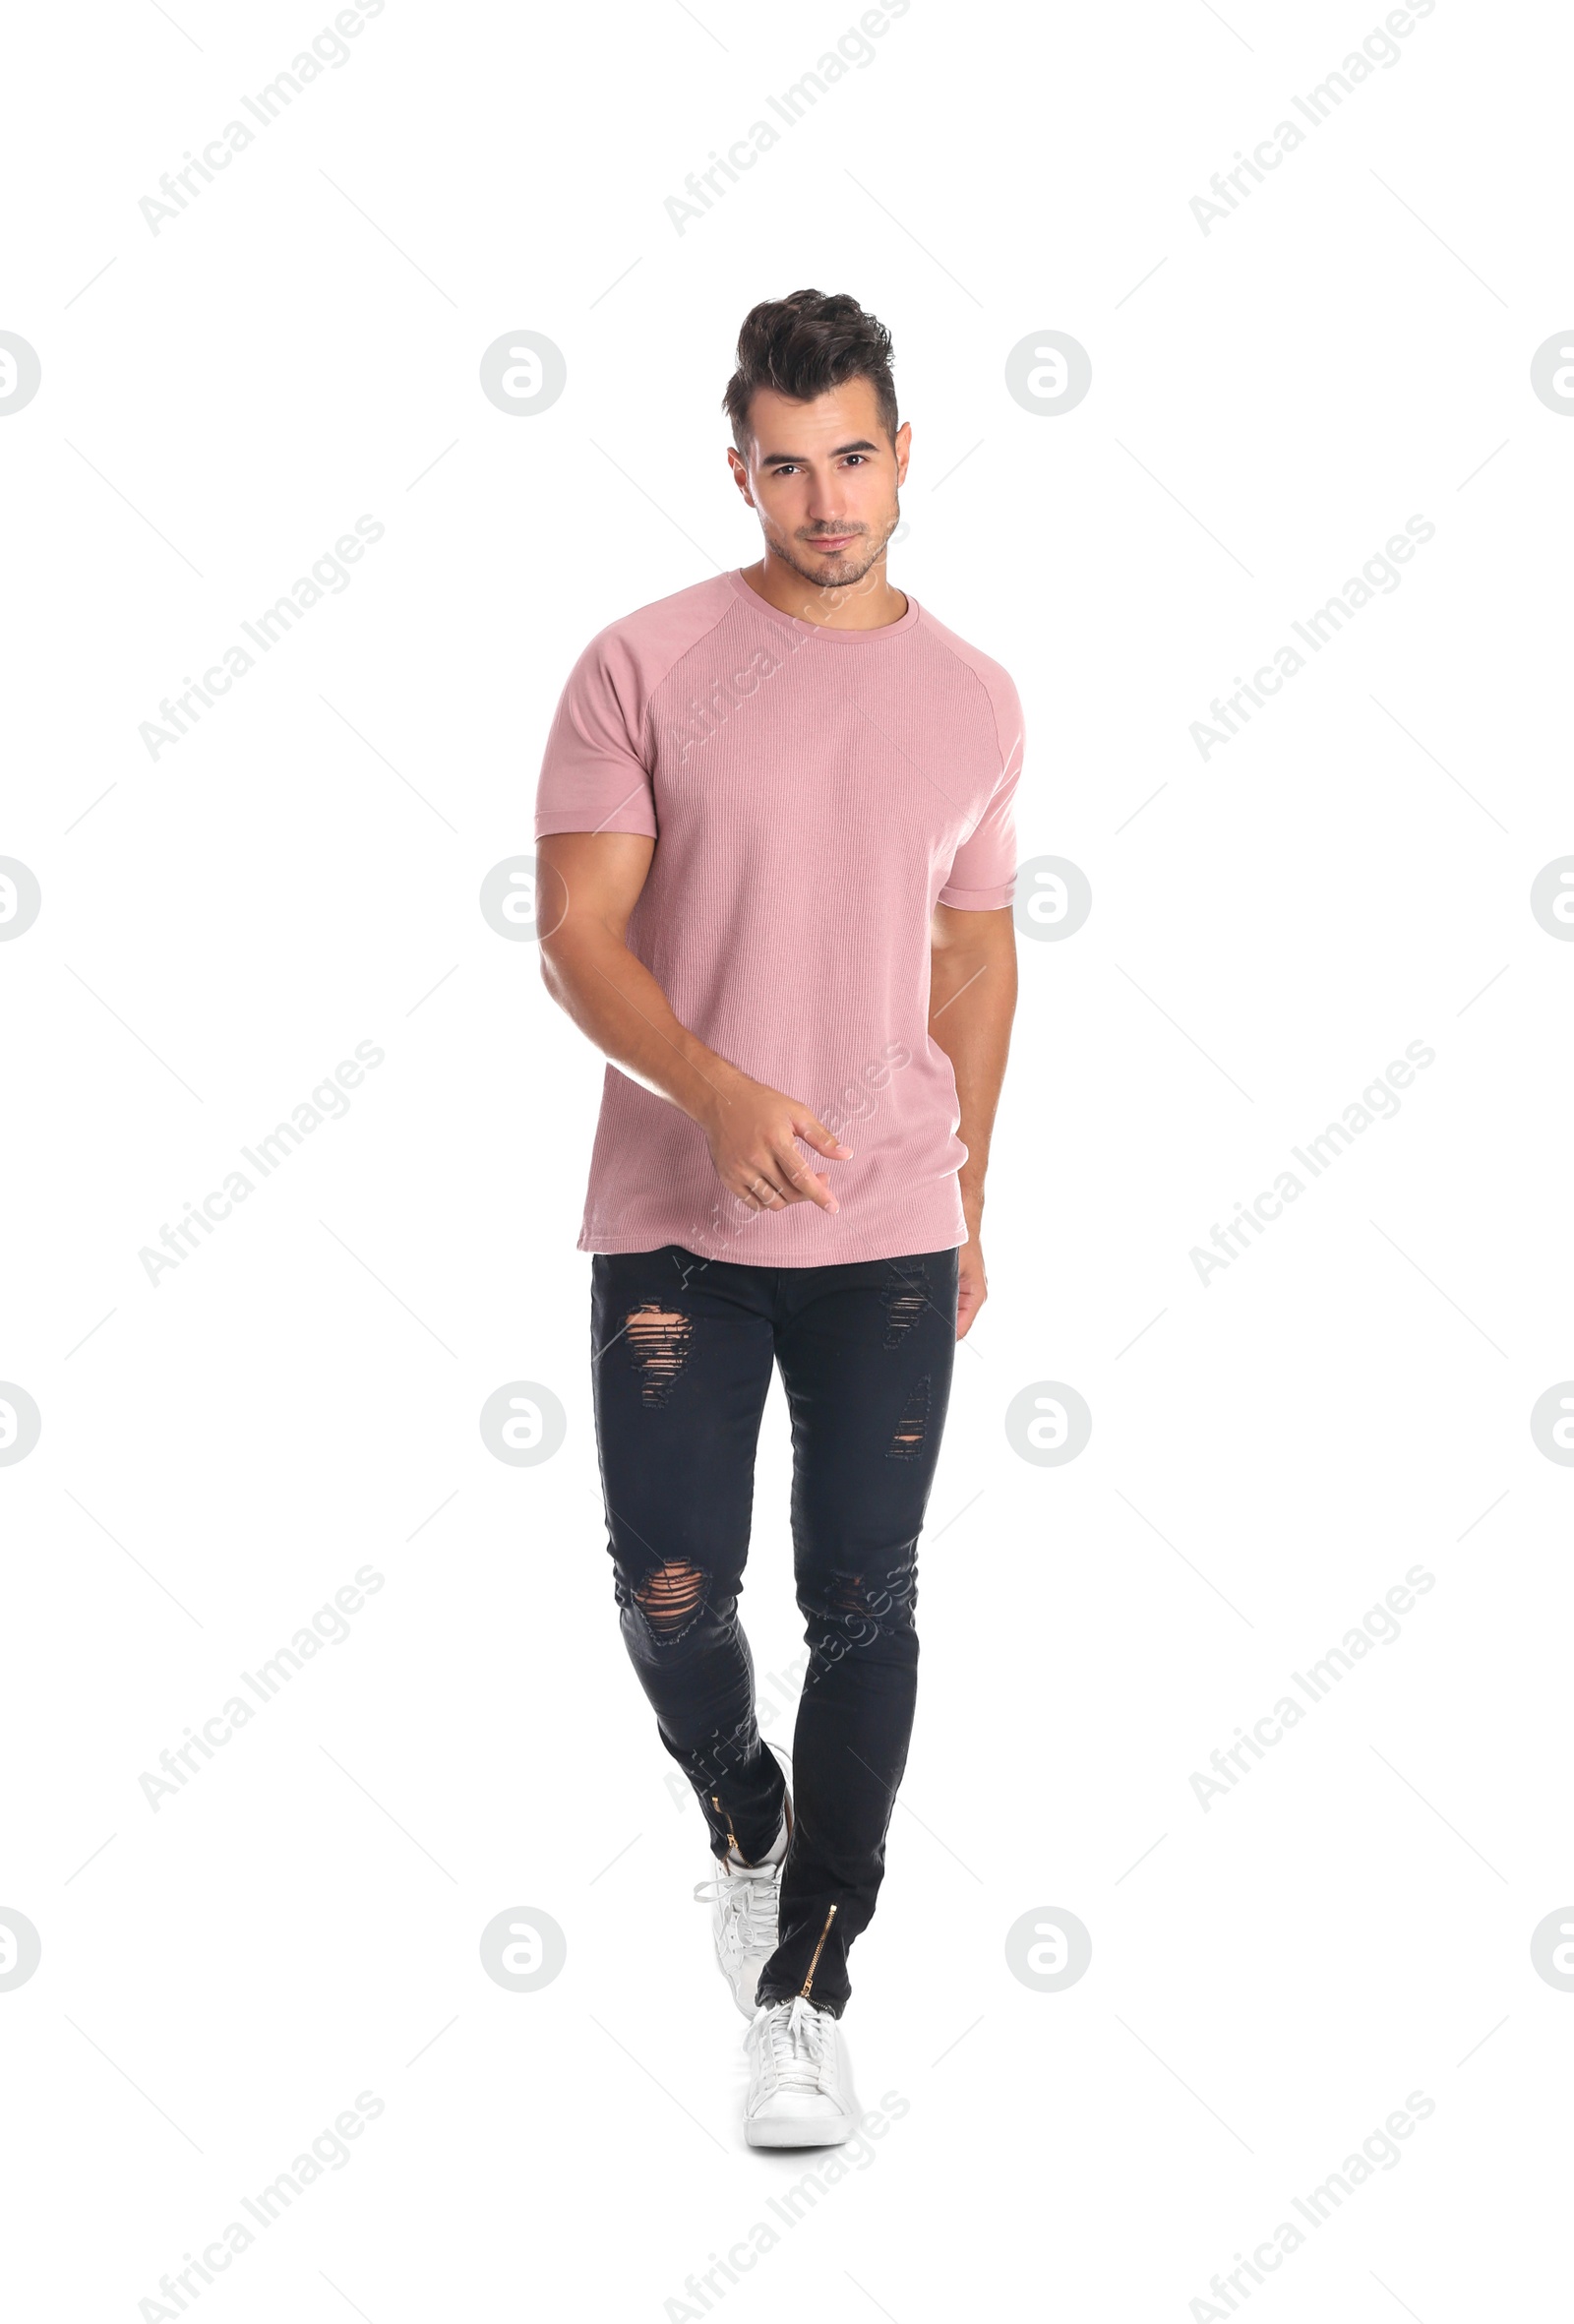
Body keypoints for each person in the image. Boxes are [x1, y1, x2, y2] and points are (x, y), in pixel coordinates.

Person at [534, 288, 1021, 2146]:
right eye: (789, 463)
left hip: (888, 1221)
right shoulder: (642, 664)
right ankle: (741, 1806)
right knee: (671, 1586)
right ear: (738, 468)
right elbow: (578, 939)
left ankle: (808, 1982)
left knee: (869, 1597)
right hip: (672, 1214)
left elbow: (973, 963)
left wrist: (970, 1191)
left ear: (906, 454)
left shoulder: (977, 694)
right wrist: (719, 1092)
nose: (828, 498)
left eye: (857, 456)